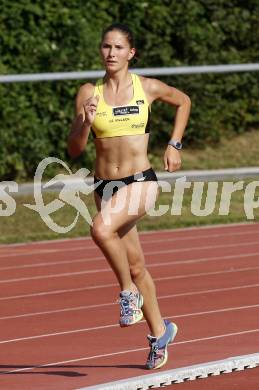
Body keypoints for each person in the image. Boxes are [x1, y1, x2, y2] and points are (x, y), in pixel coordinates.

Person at [68, 23, 191, 370]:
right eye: (106, 47)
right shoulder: (88, 92)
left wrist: (174, 143)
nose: (111, 53)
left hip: (141, 181)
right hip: (104, 186)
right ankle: (159, 333)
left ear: (130, 53)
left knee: (100, 230)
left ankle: (128, 294)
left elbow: (183, 101)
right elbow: (75, 148)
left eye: (118, 48)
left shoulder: (146, 87)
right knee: (136, 265)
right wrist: (85, 123)